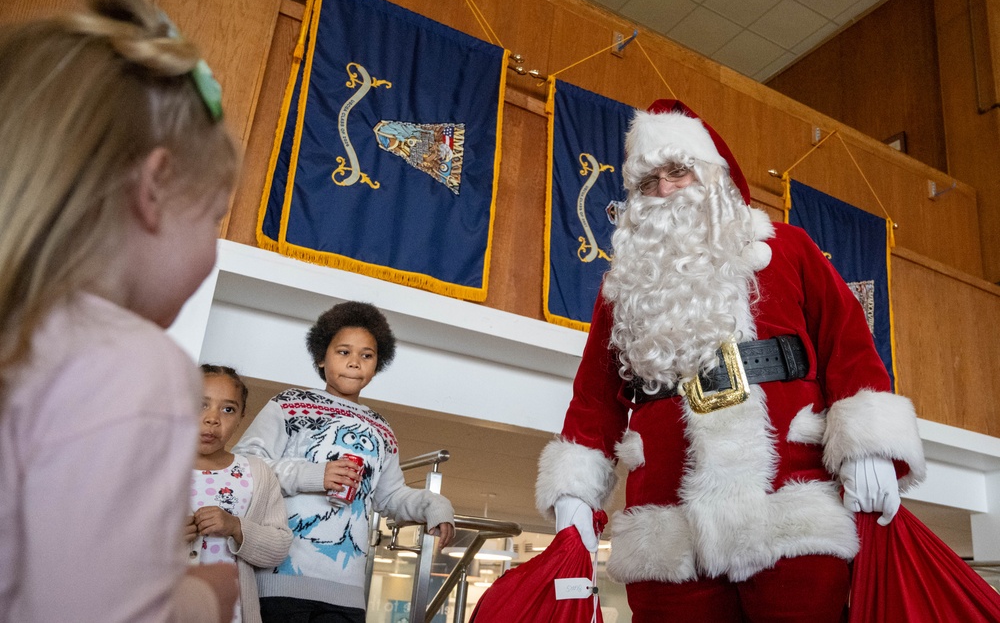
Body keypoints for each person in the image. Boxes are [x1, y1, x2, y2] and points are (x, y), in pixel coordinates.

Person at [534, 99, 927, 622]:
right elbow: (595, 401)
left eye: (678, 171)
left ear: (714, 174)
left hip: (789, 509)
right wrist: (575, 493)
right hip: (667, 529)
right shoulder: (622, 291)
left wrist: (870, 449)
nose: (665, 189)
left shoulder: (788, 249)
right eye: (649, 181)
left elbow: (848, 347)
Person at [0, 0, 240, 623]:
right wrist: (204, 598)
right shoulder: (129, 363)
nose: (213, 249)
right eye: (214, 217)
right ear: (154, 187)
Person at [235, 301, 456, 623]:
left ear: (377, 365)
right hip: (279, 582)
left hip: (347, 592)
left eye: (367, 355)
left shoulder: (381, 428)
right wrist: (315, 475)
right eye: (343, 352)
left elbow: (391, 496)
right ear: (321, 357)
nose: (354, 363)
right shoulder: (289, 404)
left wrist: (435, 506)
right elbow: (245, 466)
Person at [187, 365, 293, 623]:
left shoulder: (256, 473)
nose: (213, 419)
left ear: (241, 418)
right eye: (201, 404)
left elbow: (278, 548)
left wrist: (236, 527)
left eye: (228, 410)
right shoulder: (152, 465)